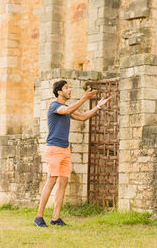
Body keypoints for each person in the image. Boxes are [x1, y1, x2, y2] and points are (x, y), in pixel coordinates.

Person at [34, 80, 111, 227]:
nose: (69, 90)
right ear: (59, 92)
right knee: (51, 181)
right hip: (54, 149)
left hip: (65, 150)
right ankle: (39, 217)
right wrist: (84, 98)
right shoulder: (54, 106)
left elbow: (83, 117)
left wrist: (98, 106)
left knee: (63, 182)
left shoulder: (66, 108)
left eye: (69, 87)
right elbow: (67, 111)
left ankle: (55, 218)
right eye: (66, 88)